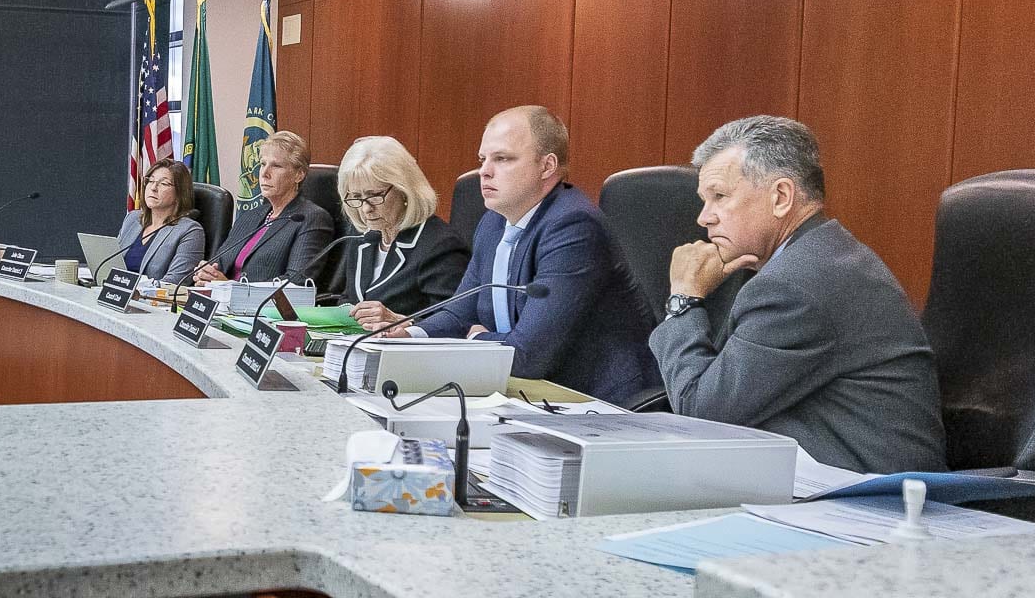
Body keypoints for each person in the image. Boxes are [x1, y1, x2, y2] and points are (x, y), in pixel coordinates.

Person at [649, 115, 947, 473]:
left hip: (870, 497)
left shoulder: (795, 285)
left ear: (781, 197)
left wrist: (683, 298)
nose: (704, 218)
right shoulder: (814, 257)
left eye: (719, 197)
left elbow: (702, 414)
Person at [410, 106, 660, 405]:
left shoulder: (573, 226)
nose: (484, 171)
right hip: (528, 393)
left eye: (502, 158)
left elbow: (529, 354)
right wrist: (411, 336)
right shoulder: (493, 223)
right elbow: (461, 311)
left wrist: (476, 340)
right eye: (483, 159)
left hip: (596, 404)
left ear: (547, 166)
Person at [336, 136, 470, 328]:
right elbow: (350, 297)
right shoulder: (363, 241)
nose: (365, 209)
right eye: (356, 197)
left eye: (374, 196)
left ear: (404, 189)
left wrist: (401, 322)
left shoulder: (439, 245)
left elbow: (455, 322)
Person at [194, 130, 332, 285]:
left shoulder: (311, 218)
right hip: (221, 304)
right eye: (262, 164)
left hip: (262, 308)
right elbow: (217, 264)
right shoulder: (251, 216)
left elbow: (295, 283)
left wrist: (229, 287)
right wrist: (206, 274)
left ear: (298, 175)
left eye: (276, 166)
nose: (264, 173)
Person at [116, 159, 205, 285]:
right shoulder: (132, 219)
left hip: (150, 302)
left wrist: (137, 290)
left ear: (180, 193)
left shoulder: (190, 231)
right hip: (117, 295)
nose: (153, 188)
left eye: (164, 184)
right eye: (151, 181)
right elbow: (111, 265)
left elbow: (175, 283)